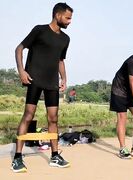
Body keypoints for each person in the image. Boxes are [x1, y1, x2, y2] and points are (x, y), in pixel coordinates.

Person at [11, 3, 73, 172]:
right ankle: (17, 157)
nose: (70, 22)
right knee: (28, 116)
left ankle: (55, 156)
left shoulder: (65, 39)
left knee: (53, 119)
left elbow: (61, 60)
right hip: (34, 80)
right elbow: (19, 48)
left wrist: (64, 78)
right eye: (67, 18)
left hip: (52, 83)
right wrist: (21, 71)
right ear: (57, 15)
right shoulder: (40, 30)